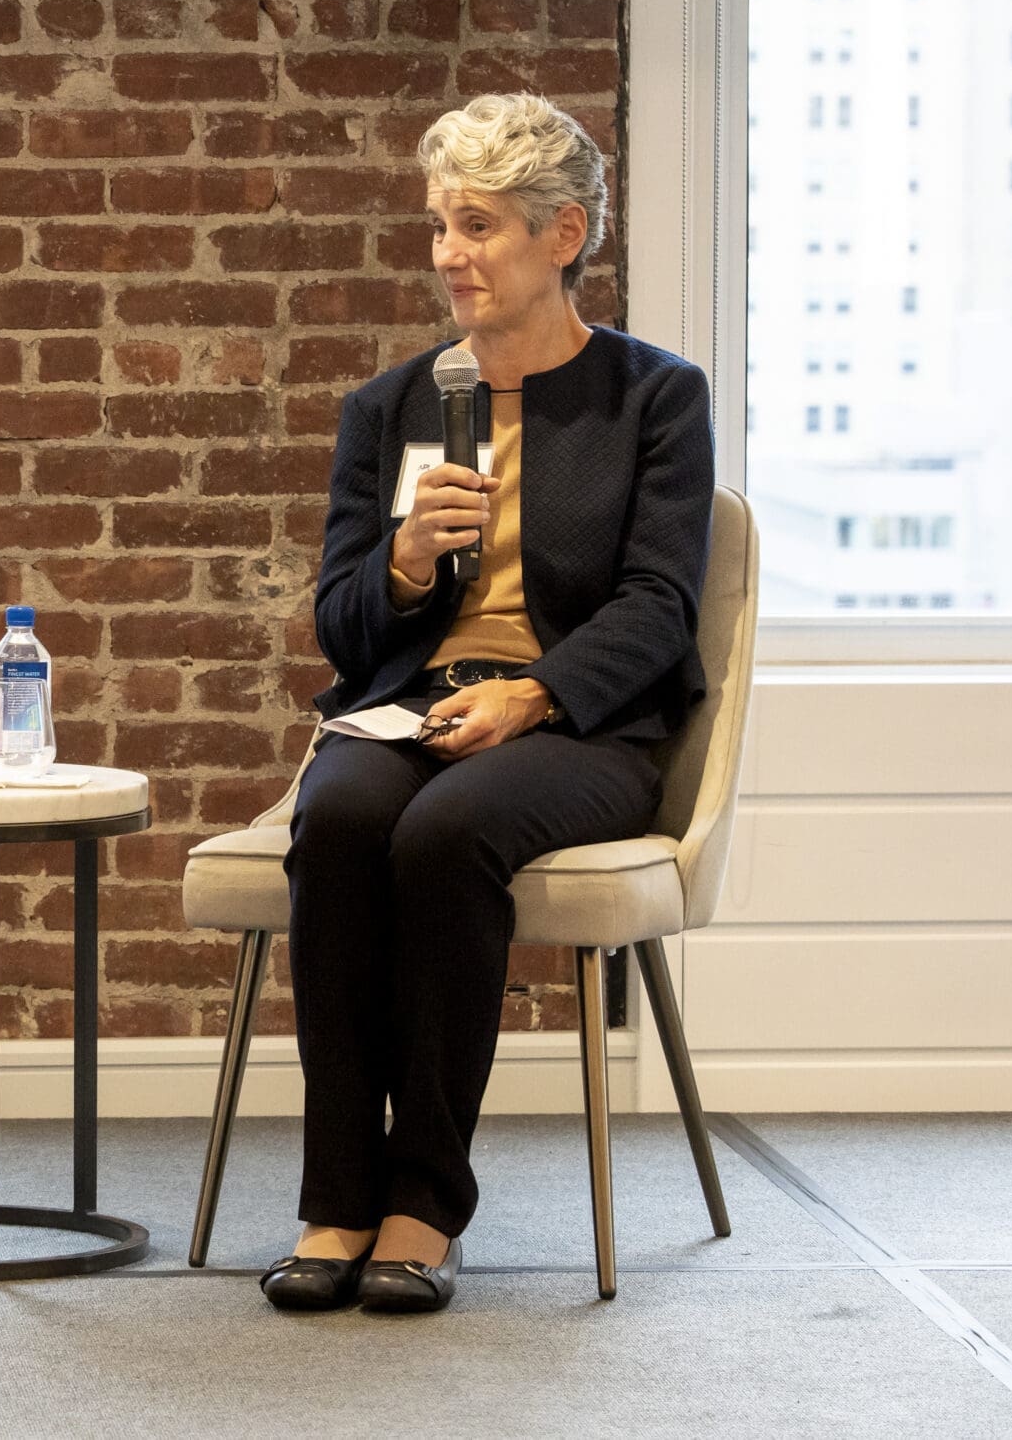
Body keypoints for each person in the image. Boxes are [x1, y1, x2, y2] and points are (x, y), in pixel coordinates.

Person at [267, 93, 714, 1315]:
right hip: (414, 707)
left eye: (477, 227)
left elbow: (658, 605)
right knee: (341, 817)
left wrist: (534, 694)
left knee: (447, 831)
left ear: (561, 235)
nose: (448, 255)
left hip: (581, 727)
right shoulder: (391, 407)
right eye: (439, 226)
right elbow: (342, 625)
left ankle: (423, 1203)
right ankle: (336, 1198)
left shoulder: (653, 398)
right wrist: (405, 563)